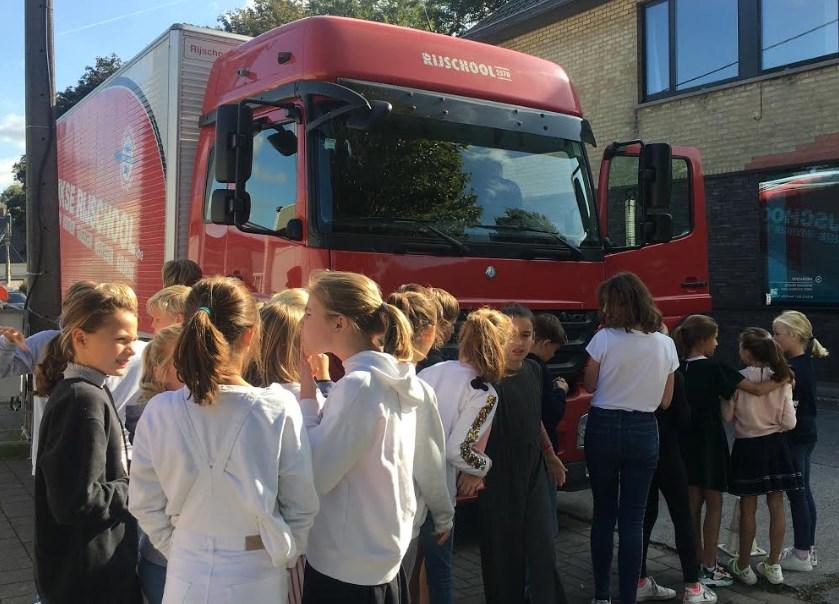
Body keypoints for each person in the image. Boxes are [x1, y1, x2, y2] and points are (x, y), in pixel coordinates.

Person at [129, 276, 319, 603]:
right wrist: (287, 551)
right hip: (256, 571)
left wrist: (181, 548)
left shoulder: (159, 410)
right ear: (250, 335)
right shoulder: (278, 408)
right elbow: (301, 504)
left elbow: (144, 501)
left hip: (186, 571)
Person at [298, 270, 424, 604]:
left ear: (338, 323)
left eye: (309, 313)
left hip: (347, 566)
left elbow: (315, 473)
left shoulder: (358, 386)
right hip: (375, 557)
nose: (302, 321)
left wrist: (307, 396)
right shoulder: (387, 378)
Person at [33, 283, 141, 604]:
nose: (131, 350)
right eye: (121, 340)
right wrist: (137, 483)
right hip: (90, 581)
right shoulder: (83, 399)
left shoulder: (87, 390)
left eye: (133, 340)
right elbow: (77, 501)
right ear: (80, 338)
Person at [583, 272, 678, 604]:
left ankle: (600, 596)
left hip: (604, 426)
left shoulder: (603, 339)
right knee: (633, 519)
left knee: (604, 513)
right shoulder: (666, 344)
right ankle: (628, 596)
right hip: (643, 429)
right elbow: (666, 401)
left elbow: (590, 385)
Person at [673, 314, 784, 588]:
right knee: (714, 504)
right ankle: (710, 567)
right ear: (702, 340)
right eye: (715, 337)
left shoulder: (677, 368)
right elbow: (756, 390)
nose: (718, 343)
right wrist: (783, 380)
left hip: (683, 442)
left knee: (691, 506)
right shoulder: (714, 367)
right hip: (709, 443)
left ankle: (694, 564)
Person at [474, 303, 568, 604]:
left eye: (525, 335)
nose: (518, 342)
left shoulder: (533, 370)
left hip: (533, 473)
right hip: (497, 479)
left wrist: (550, 454)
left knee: (543, 552)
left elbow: (534, 417)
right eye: (511, 335)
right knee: (503, 559)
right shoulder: (484, 379)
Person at [418, 307, 512, 604]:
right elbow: (459, 450)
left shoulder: (431, 371)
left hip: (404, 484)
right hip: (437, 493)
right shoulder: (484, 393)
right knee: (440, 571)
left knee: (411, 572)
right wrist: (484, 465)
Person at [387, 291, 454, 601]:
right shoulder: (419, 391)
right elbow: (429, 463)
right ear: (428, 332)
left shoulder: (356, 378)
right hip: (402, 522)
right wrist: (443, 515)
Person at [723, 328, 798, 587]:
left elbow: (727, 417)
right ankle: (773, 564)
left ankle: (743, 565)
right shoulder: (784, 378)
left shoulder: (738, 379)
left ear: (747, 352)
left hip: (748, 447)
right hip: (777, 445)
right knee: (777, 505)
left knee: (748, 507)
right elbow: (790, 421)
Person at [0, 280, 96, 475]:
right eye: (76, 308)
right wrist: (7, 344)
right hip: (52, 454)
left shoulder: (112, 347)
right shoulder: (46, 341)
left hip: (96, 450)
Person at [638, 366, 717, 603]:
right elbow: (684, 418)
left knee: (643, 517)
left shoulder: (636, 372)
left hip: (642, 450)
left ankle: (638, 579)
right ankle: (692, 586)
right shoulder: (673, 376)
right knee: (682, 517)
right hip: (670, 453)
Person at [131, 325, 183, 604]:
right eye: (183, 362)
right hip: (164, 560)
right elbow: (145, 502)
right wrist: (177, 551)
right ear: (160, 369)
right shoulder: (152, 413)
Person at [773, 310, 829, 572]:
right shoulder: (804, 361)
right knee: (803, 491)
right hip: (807, 434)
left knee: (798, 494)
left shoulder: (793, 369)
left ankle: (802, 554)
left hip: (796, 437)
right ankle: (807, 548)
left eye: (777, 334)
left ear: (794, 336)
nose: (774, 339)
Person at [528, 312, 569, 536]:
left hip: (524, 451)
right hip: (544, 450)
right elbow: (549, 413)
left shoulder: (518, 365)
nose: (553, 356)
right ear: (545, 343)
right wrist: (561, 392)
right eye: (554, 349)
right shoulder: (540, 369)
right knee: (546, 515)